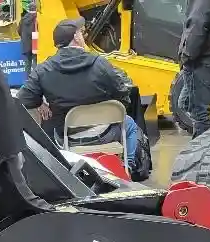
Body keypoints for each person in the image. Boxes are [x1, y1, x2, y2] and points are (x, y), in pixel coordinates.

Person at [15, 18, 140, 169]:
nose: (83, 35)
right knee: (131, 126)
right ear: (75, 37)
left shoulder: (43, 70)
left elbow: (22, 99)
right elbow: (122, 92)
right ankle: (127, 168)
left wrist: (39, 102)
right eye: (80, 32)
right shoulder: (100, 63)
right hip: (105, 133)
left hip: (68, 138)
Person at [178, 0, 210, 137]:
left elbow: (198, 23)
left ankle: (201, 147)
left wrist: (186, 54)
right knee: (184, 103)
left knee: (200, 115)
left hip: (200, 59)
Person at [18, 2, 37, 76]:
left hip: (26, 43)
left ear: (28, 9)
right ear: (36, 9)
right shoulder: (37, 18)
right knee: (35, 61)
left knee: (27, 62)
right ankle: (36, 78)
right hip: (35, 42)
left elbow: (19, 31)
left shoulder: (23, 19)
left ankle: (28, 79)